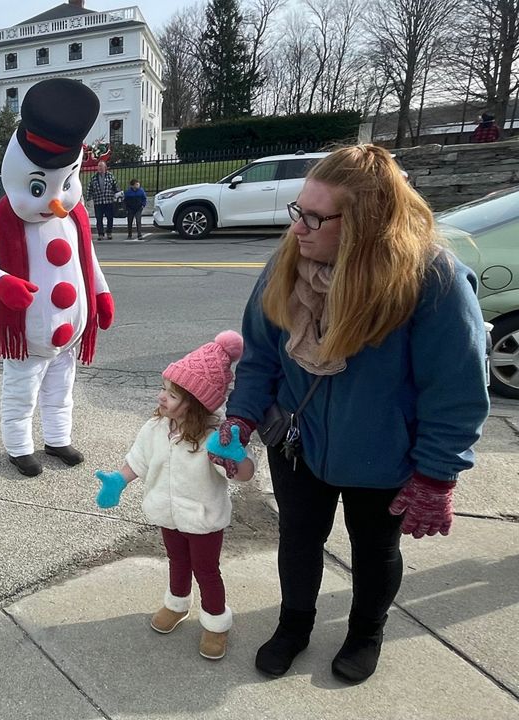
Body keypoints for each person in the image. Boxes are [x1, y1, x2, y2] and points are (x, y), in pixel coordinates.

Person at [214, 145, 489, 684]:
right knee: (297, 536)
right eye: (299, 210)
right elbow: (260, 353)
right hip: (298, 442)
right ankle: (294, 624)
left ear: (365, 223)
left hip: (385, 454)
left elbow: (454, 391)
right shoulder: (288, 263)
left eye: (316, 217)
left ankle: (367, 630)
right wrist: (241, 418)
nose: (299, 228)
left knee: (374, 549)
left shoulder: (430, 279)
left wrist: (436, 474)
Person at [0, 78, 114, 477]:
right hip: (29, 333)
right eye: (41, 188)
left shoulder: (75, 216)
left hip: (67, 332)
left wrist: (100, 293)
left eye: (65, 185)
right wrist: (3, 283)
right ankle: (19, 447)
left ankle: (58, 438)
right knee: (21, 391)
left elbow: (89, 261)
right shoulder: (3, 221)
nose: (55, 201)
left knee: (61, 389)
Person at [95, 331, 254, 661]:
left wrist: (237, 457)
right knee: (177, 560)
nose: (162, 398)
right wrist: (118, 480)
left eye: (172, 395)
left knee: (206, 571)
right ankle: (177, 603)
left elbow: (241, 476)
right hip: (167, 514)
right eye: (164, 389)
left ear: (195, 402)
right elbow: (138, 459)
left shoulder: (213, 438)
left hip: (202, 518)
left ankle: (215, 622)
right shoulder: (155, 428)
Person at [85, 161, 119, 241]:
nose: (99, 168)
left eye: (101, 166)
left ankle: (109, 232)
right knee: (99, 218)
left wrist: (118, 195)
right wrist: (88, 199)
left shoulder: (110, 176)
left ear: (105, 167)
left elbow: (115, 186)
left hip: (109, 201)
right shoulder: (94, 177)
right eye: (98, 166)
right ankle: (100, 234)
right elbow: (90, 189)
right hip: (98, 202)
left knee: (110, 218)